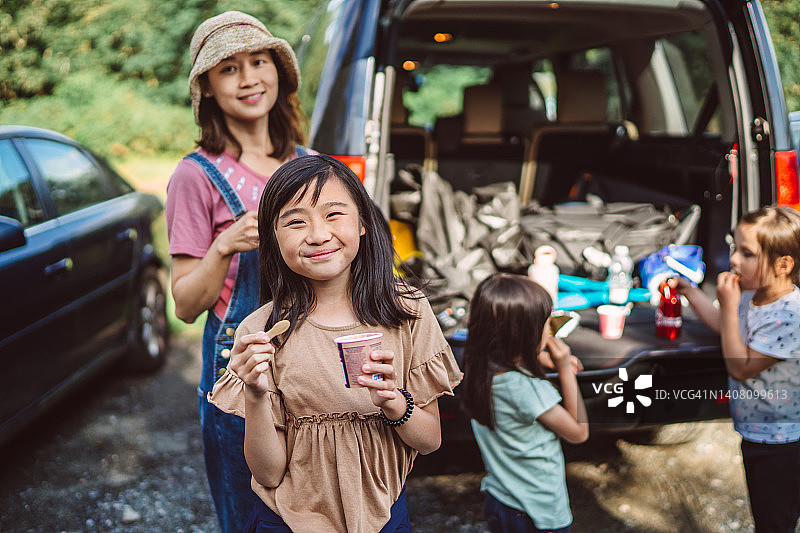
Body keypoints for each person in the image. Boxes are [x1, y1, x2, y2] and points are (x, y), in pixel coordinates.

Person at [207, 154, 463, 532]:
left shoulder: (407, 310)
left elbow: (430, 441)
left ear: (362, 221)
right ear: (272, 239)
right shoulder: (259, 333)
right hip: (288, 523)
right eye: (295, 222)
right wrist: (256, 394)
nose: (317, 234)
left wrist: (395, 401)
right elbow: (268, 473)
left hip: (384, 517)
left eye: (333, 214)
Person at [164, 11, 309, 533]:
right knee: (253, 516)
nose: (249, 79)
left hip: (315, 365)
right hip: (240, 372)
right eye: (228, 69)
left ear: (279, 72)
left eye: (259, 61)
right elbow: (184, 305)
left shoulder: (309, 164)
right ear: (207, 88)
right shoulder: (195, 175)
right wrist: (224, 245)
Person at [678, 205, 800, 533]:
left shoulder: (789, 315)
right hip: (757, 433)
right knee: (766, 511)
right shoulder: (752, 294)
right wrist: (690, 292)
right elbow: (725, 326)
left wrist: (730, 305)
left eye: (746, 253)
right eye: (734, 247)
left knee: (775, 521)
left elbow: (741, 367)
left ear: (783, 264)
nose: (733, 259)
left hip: (782, 442)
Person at [461, 273, 589, 533]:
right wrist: (564, 369)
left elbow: (505, 355)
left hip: (500, 499)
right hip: (537, 510)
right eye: (545, 324)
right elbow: (578, 432)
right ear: (522, 335)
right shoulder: (527, 390)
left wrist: (536, 357)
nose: (550, 330)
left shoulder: (479, 367)